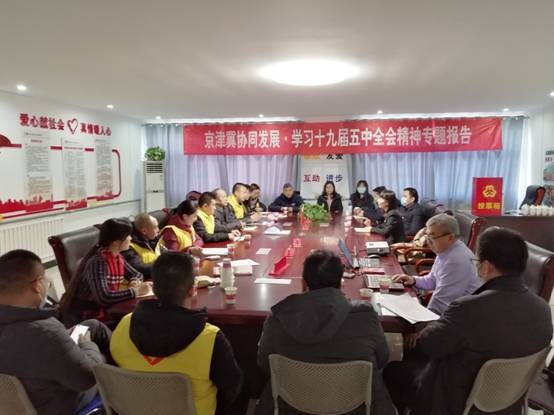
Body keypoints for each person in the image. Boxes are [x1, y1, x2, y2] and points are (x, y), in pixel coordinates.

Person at [384, 227, 553, 415]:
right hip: (507, 403)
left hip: (453, 401)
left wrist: (427, 326)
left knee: (393, 370)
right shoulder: (543, 309)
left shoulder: (468, 308)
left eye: (477, 261)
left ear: (487, 266)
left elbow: (429, 345)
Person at [256, 250, 396, 415]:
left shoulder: (277, 319)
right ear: (340, 282)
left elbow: (265, 365)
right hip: (355, 407)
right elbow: (382, 359)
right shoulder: (365, 316)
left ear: (304, 282)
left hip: (291, 406)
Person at [110, 251, 245, 415]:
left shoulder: (124, 325)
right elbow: (232, 388)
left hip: (136, 410)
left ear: (153, 287)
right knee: (243, 382)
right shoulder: (210, 338)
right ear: (192, 290)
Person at [0, 249, 112, 415]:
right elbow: (87, 378)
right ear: (37, 285)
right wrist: (88, 345)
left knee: (93, 325)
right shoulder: (47, 332)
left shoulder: (37, 331)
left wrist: (65, 339)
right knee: (103, 356)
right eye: (46, 281)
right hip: (60, 404)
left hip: (19, 400)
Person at [62, 218, 152, 323]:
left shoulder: (116, 257)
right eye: (128, 236)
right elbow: (104, 298)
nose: (131, 238)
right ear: (116, 242)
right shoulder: (98, 262)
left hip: (104, 309)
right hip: (87, 315)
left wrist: (134, 281)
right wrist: (135, 292)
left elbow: (136, 273)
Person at [393, 213, 481, 315]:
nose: (428, 241)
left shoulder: (455, 260)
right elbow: (433, 280)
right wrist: (413, 280)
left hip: (461, 316)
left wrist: (424, 319)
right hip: (448, 310)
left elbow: (441, 302)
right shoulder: (445, 251)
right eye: (427, 235)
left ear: (450, 237)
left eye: (432, 237)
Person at [122, 213, 163, 278]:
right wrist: (164, 266)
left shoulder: (153, 240)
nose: (158, 230)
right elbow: (139, 268)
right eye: (155, 227)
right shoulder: (128, 246)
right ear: (144, 231)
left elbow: (168, 254)